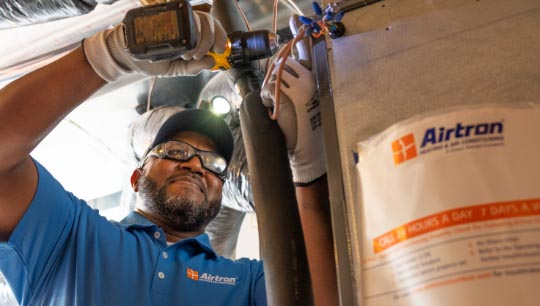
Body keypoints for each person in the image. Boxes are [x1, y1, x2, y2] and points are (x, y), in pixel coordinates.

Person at [0, 8, 337, 306]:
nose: (194, 164)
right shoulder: (73, 238)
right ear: (136, 177)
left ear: (221, 196)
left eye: (214, 164)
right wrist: (108, 57)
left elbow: (324, 296)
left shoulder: (246, 283)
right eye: (176, 152)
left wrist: (308, 171)